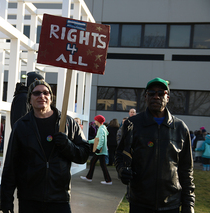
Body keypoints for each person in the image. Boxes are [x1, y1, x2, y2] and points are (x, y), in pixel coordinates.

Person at [0, 80, 89, 213]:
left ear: (51, 98)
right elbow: (11, 165)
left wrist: (67, 145)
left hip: (59, 198)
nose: (41, 96)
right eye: (36, 93)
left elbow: (83, 155)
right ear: (30, 99)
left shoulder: (68, 124)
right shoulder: (21, 126)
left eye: (45, 92)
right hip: (29, 199)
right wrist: (6, 200)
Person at [115, 77, 195, 212]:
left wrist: (189, 203)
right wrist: (121, 170)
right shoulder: (132, 124)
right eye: (151, 93)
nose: (156, 97)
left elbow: (186, 169)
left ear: (167, 97)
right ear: (146, 97)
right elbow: (120, 155)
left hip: (171, 204)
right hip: (140, 203)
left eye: (161, 93)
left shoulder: (180, 128)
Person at [80, 115, 112, 185]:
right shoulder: (103, 128)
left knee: (101, 164)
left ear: (98, 121)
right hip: (101, 150)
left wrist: (97, 148)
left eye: (95, 120)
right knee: (93, 162)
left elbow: (101, 140)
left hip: (100, 150)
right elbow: (97, 139)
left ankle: (108, 180)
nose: (94, 121)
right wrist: (89, 141)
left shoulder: (100, 129)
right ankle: (89, 177)